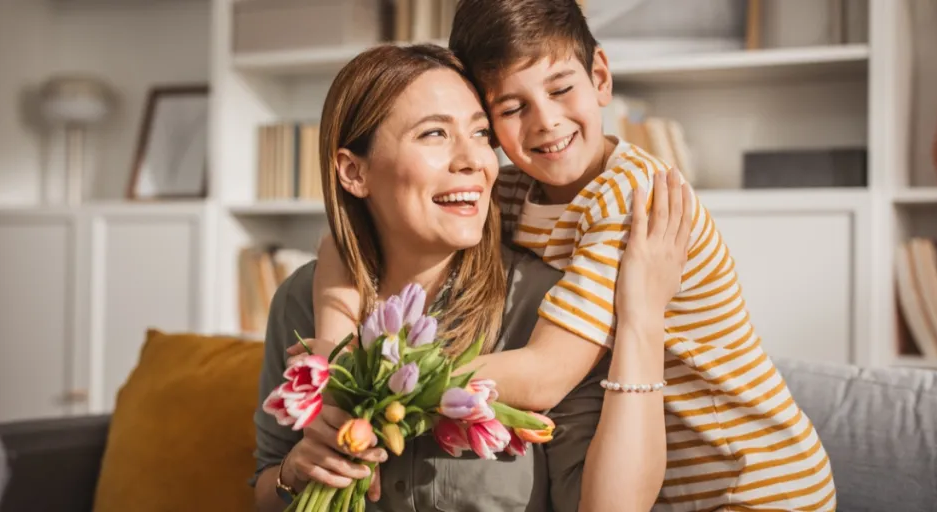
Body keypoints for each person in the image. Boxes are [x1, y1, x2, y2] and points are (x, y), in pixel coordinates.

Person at [311, 0, 837, 510]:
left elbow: (547, 375)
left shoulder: (629, 197)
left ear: (600, 77)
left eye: (562, 89)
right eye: (512, 109)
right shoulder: (516, 189)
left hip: (757, 481)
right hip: (664, 483)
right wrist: (332, 359)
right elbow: (345, 240)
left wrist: (377, 382)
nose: (545, 122)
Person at [251, 43, 691, 512]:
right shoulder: (302, 299)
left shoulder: (546, 306)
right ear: (353, 171)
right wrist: (294, 473)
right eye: (435, 134)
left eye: (481, 133)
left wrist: (643, 315)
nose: (474, 161)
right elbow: (267, 483)